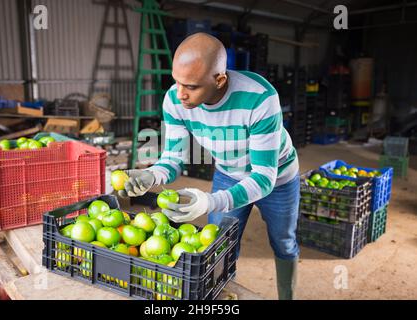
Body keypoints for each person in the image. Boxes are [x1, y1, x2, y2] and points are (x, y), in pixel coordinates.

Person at [118, 33, 300, 300]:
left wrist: (210, 201)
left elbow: (263, 179)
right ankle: (225, 298)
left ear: (219, 80)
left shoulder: (260, 99)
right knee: (220, 247)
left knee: (284, 243)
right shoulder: (175, 99)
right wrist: (150, 174)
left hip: (278, 178)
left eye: (191, 86)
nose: (180, 94)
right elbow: (173, 159)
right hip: (229, 173)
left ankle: (288, 296)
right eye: (177, 81)